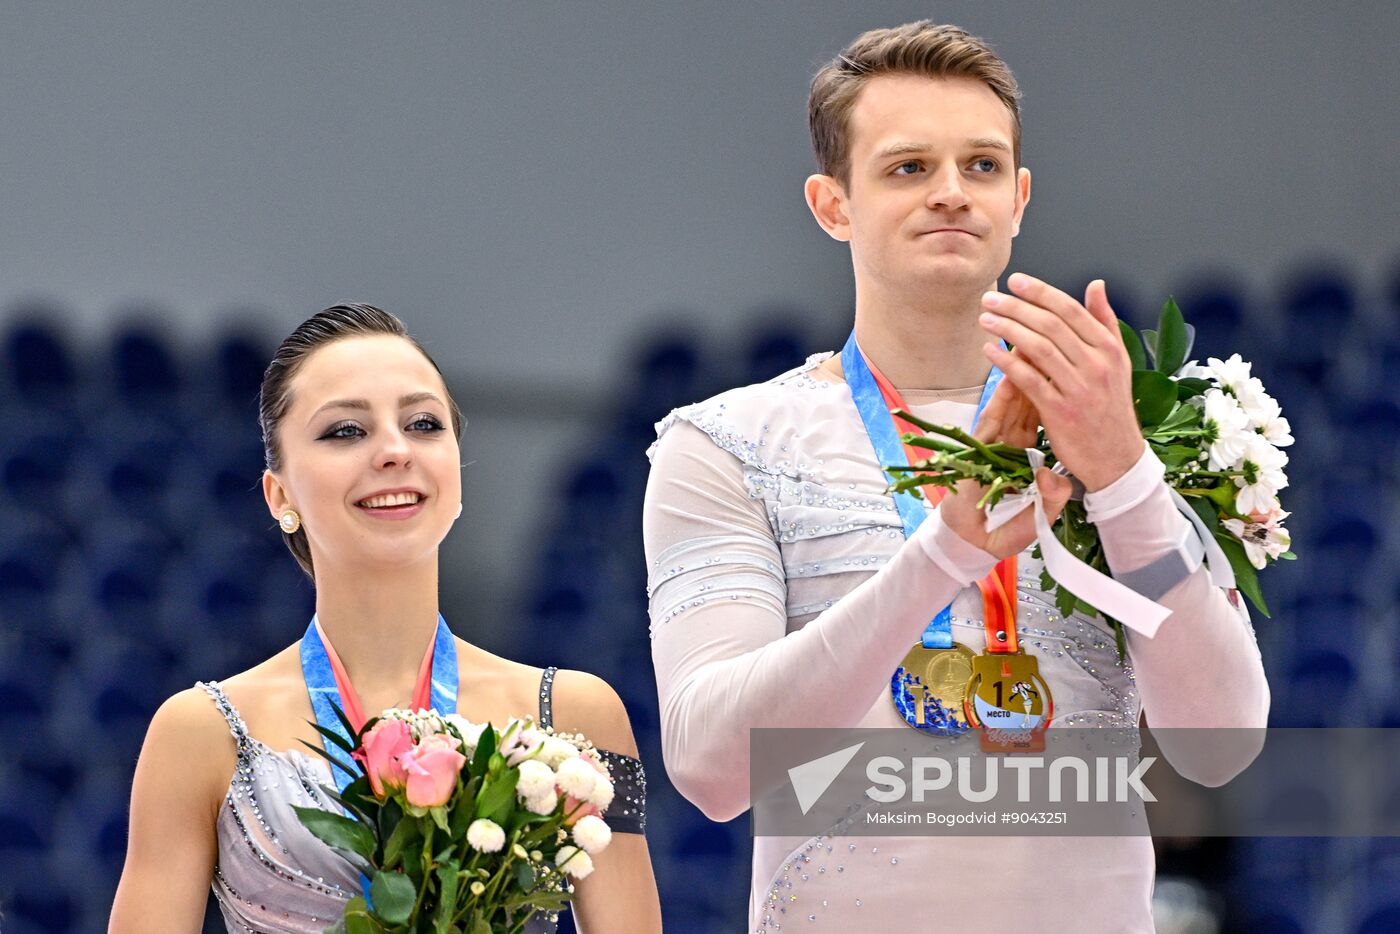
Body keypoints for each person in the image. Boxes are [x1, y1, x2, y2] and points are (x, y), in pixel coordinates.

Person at [643, 22, 1269, 933]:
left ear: (1019, 198)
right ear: (832, 205)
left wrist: (1124, 478)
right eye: (908, 167)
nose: (951, 192)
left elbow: (1219, 746)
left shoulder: (1120, 427)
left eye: (981, 166)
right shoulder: (730, 444)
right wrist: (940, 558)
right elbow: (711, 768)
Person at [112, 304, 662, 933]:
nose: (395, 450)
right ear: (280, 494)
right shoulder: (198, 735)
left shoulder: (577, 716)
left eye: (423, 423)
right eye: (346, 430)